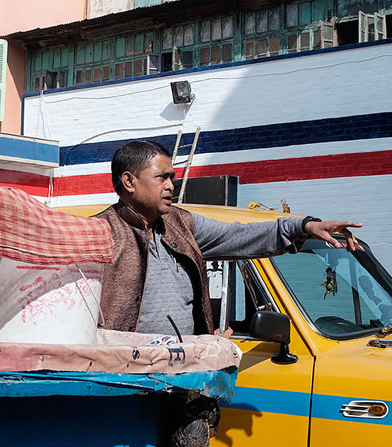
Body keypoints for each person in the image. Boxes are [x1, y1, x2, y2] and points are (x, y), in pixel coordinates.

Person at [93, 140, 363, 338]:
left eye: (172, 178)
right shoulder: (98, 233)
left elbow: (240, 235)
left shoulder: (181, 224)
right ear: (129, 182)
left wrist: (303, 227)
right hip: (124, 384)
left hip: (184, 379)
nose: (170, 186)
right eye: (161, 177)